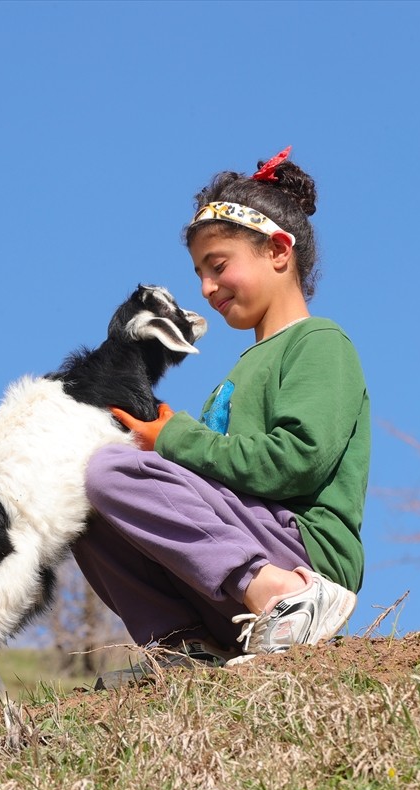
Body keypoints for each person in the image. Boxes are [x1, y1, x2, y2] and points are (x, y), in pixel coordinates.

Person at [72, 147, 371, 685]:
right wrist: (161, 448)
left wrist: (175, 439)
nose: (207, 288)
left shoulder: (319, 343)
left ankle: (285, 595)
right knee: (79, 490)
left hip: (301, 552)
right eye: (200, 274)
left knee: (109, 471)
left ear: (278, 250)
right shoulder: (242, 369)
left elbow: (298, 460)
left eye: (219, 266)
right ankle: (183, 647)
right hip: (234, 574)